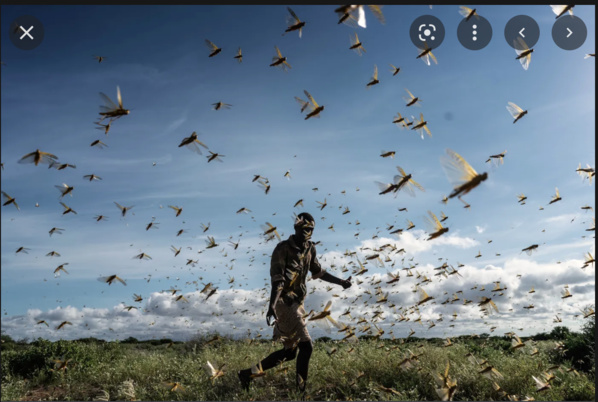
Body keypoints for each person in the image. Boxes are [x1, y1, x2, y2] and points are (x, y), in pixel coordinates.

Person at [238, 212, 352, 394]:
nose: (308, 232)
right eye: (305, 229)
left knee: (290, 353)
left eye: (311, 230)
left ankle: (246, 374)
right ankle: (301, 393)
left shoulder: (310, 249)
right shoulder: (282, 249)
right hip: (284, 303)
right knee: (306, 346)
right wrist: (272, 306)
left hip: (298, 302)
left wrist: (341, 282)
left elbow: (318, 271)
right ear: (296, 227)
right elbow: (278, 281)